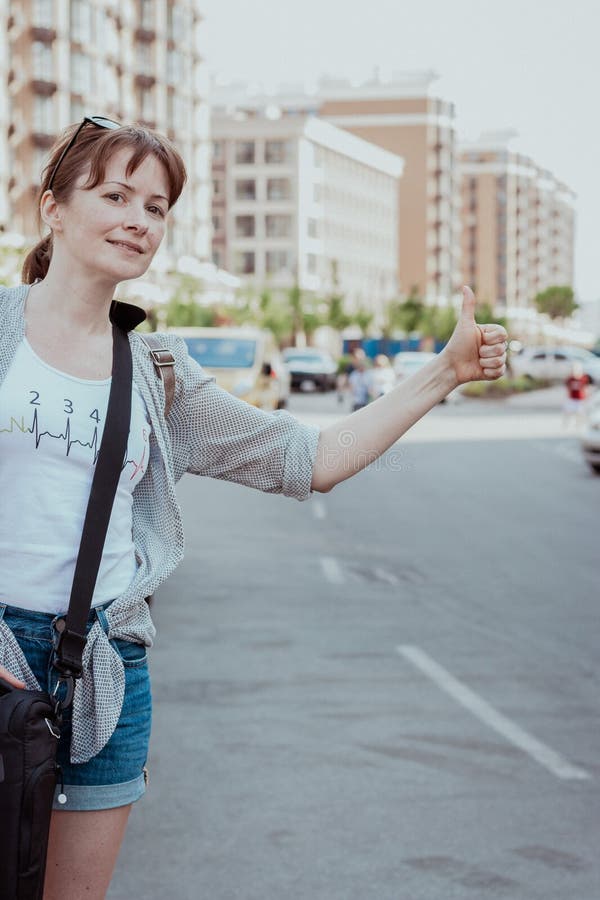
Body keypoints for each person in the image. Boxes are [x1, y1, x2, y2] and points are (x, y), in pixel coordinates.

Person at [0, 117, 508, 900]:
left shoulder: (159, 371)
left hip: (105, 667)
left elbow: (309, 460)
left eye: (158, 207)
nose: (140, 219)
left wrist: (442, 374)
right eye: (116, 195)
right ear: (54, 208)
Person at [562, 361, 590, 429]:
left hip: (580, 398)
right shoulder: (570, 379)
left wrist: (586, 397)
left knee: (580, 413)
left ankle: (579, 424)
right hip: (572, 398)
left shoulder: (583, 378)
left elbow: (586, 388)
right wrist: (567, 396)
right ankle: (566, 424)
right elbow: (567, 388)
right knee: (568, 412)